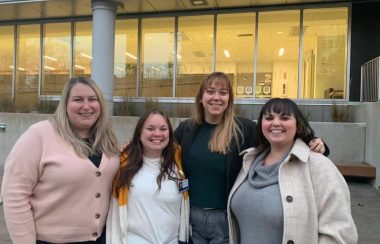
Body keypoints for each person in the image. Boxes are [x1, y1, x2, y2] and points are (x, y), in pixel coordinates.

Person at [174, 72, 328, 243]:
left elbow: (278, 137)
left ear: (229, 100)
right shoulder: (187, 129)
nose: (216, 97)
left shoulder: (244, 129)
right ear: (201, 98)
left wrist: (312, 141)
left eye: (223, 93)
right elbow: (166, 156)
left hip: (226, 219)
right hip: (190, 217)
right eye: (210, 91)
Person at [1, 77, 120, 244]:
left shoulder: (107, 138)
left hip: (99, 239)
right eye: (78, 100)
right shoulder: (39, 135)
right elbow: (14, 195)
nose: (86, 106)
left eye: (92, 99)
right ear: (65, 105)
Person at [227, 98, 357, 244]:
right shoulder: (248, 161)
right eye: (269, 118)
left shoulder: (319, 166)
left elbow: (340, 232)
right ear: (261, 124)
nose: (275, 123)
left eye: (284, 117)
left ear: (298, 125)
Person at [106, 109, 189, 244]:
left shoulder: (178, 160)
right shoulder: (122, 164)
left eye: (163, 129)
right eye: (150, 128)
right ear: (139, 133)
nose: (157, 134)